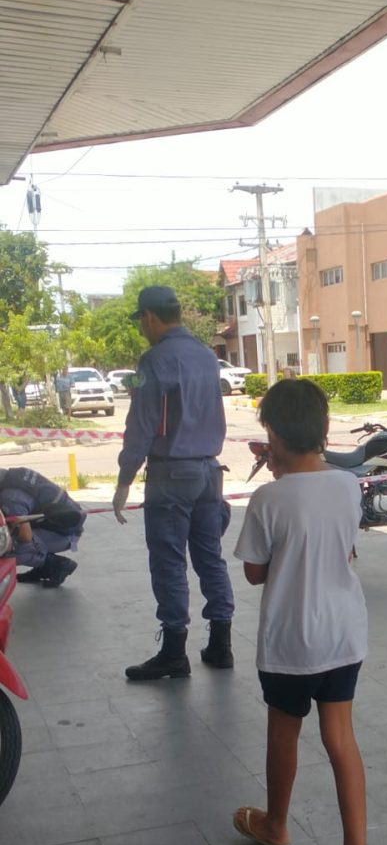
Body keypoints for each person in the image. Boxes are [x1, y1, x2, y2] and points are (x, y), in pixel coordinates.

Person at [232, 378, 379, 845]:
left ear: (273, 436)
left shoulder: (267, 498)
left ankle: (276, 825)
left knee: (284, 733)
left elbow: (254, 572)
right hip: (342, 634)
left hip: (291, 640)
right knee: (341, 739)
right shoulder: (347, 484)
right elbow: (345, 549)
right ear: (321, 430)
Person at [112, 285, 235, 680]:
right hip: (209, 472)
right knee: (210, 557)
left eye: (141, 321)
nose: (142, 328)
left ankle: (174, 653)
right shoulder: (206, 355)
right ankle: (221, 645)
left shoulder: (154, 360)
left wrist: (124, 480)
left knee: (168, 562)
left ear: (149, 316)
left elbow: (141, 425)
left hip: (171, 475)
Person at [0, 466, 85, 586]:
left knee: (6, 547)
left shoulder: (12, 499)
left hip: (65, 534)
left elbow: (25, 537)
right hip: (56, 525)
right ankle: (43, 568)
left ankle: (55, 564)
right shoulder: (12, 477)